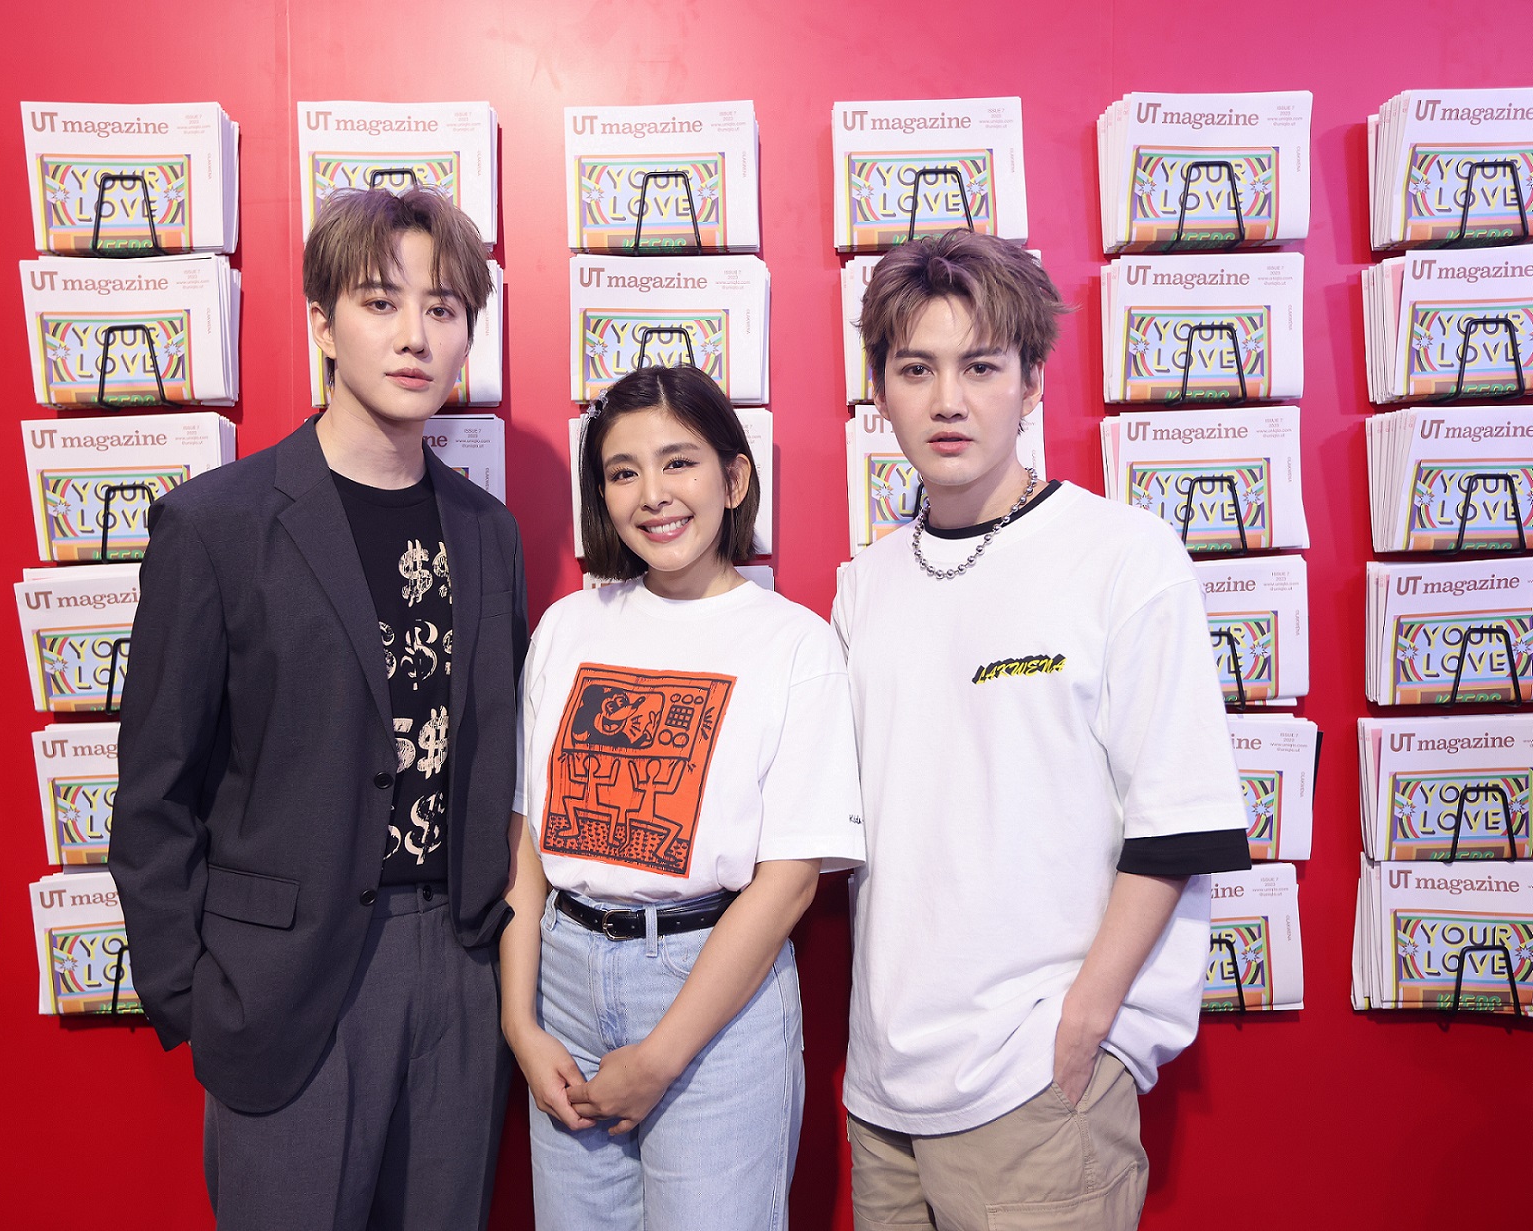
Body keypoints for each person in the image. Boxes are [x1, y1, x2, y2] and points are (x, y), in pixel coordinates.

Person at [109, 187, 526, 1231]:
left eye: (442, 308)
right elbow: (153, 791)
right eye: (381, 303)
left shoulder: (487, 531)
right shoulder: (218, 526)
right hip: (285, 984)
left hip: (457, 968)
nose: (414, 335)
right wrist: (196, 996)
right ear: (322, 325)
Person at [836, 231, 1253, 1231]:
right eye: (916, 370)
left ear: (1030, 383)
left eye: (980, 367)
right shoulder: (864, 584)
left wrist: (1085, 1025)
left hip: (1037, 1083)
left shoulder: (1122, 555)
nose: (947, 400)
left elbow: (1178, 821)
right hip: (882, 1091)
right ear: (878, 391)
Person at [500, 364, 866, 1231]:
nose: (653, 494)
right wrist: (520, 1023)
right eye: (623, 471)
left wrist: (661, 1055)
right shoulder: (567, 627)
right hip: (562, 982)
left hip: (711, 997)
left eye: (679, 462)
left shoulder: (794, 644)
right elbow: (525, 841)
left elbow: (788, 883)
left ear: (733, 478)